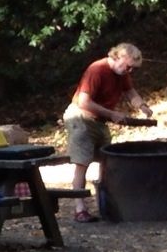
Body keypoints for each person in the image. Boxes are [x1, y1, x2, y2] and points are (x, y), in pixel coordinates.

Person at [63, 43, 154, 220]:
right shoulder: (97, 70)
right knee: (82, 162)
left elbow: (130, 92)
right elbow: (84, 102)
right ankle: (80, 209)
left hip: (100, 121)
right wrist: (112, 114)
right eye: (128, 66)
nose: (130, 71)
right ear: (117, 57)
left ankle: (106, 204)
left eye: (132, 68)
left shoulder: (123, 74)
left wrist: (142, 106)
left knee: (107, 160)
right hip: (80, 118)